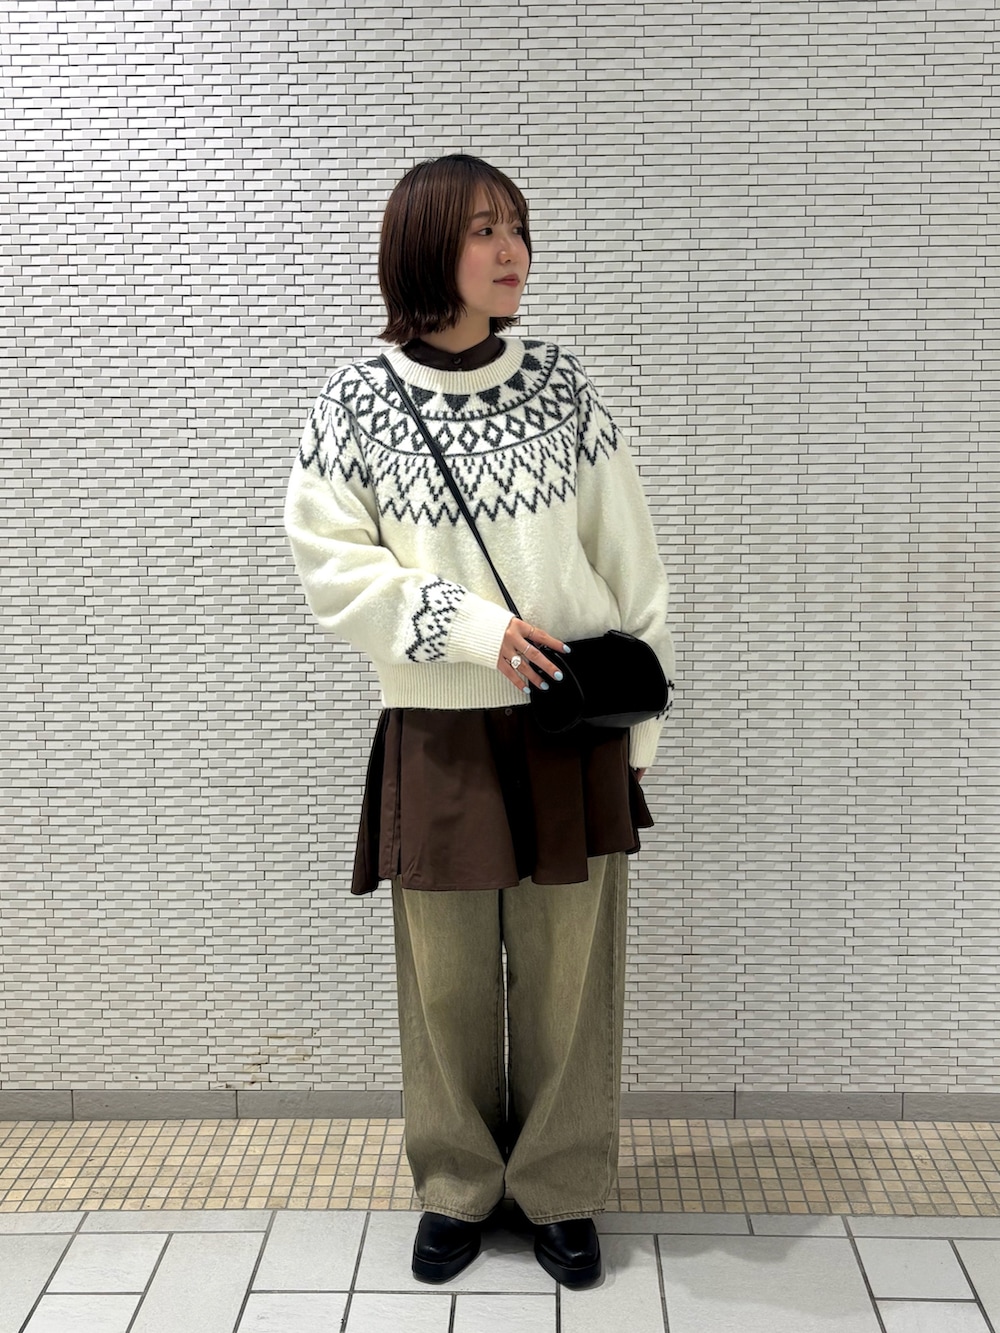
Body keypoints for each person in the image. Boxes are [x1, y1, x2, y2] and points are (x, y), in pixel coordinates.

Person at [284, 154, 675, 1288]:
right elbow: (329, 565)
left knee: (569, 979)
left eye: (516, 226)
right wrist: (469, 627)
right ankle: (457, 1182)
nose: (512, 251)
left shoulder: (560, 386)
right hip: (440, 731)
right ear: (423, 249)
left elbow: (633, 563)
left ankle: (559, 1185)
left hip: (572, 732)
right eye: (481, 230)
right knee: (444, 980)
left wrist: (635, 737)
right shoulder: (355, 402)